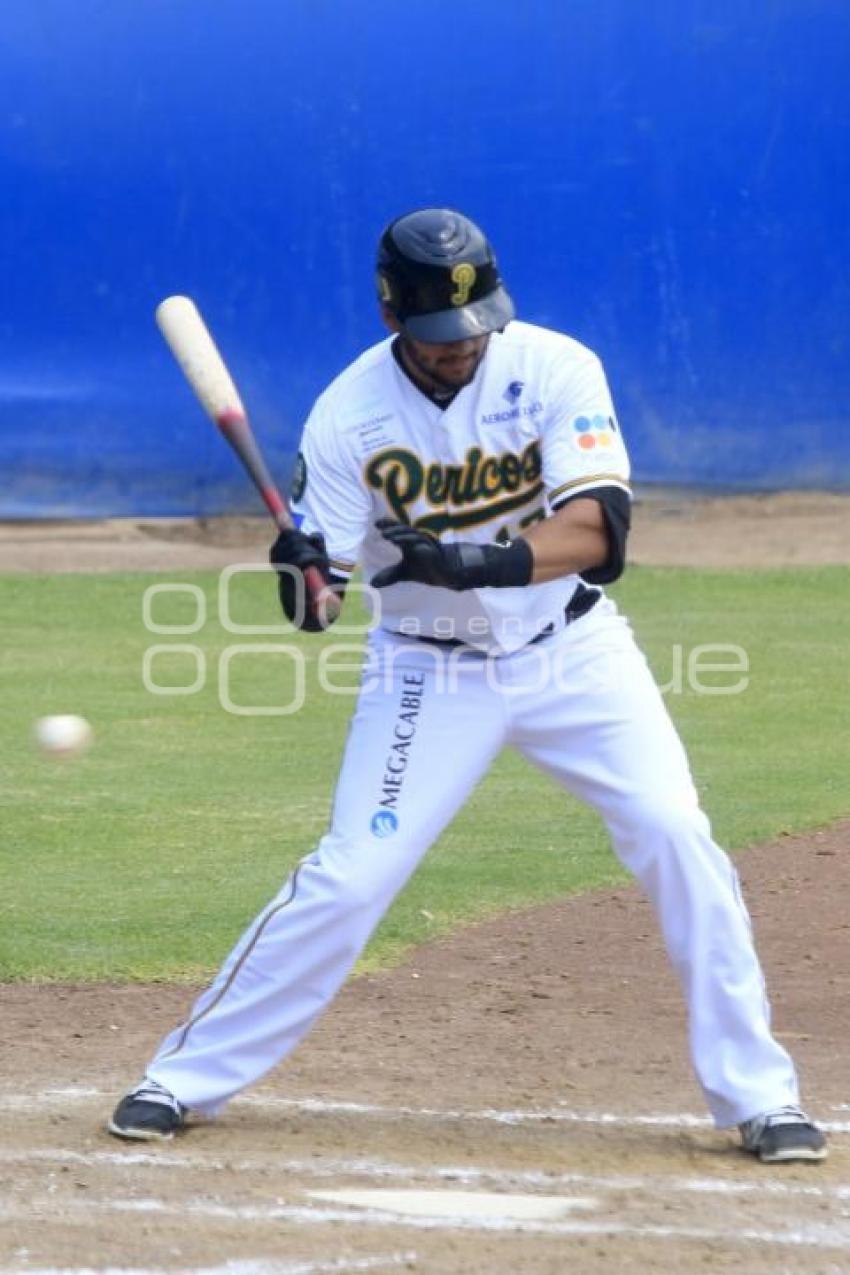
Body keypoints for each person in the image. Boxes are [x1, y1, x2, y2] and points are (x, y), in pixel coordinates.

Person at [109, 207, 826, 1165]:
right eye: (441, 336)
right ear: (393, 318)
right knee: (353, 871)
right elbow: (320, 610)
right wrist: (301, 570)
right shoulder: (346, 417)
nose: (463, 348)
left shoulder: (556, 367)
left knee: (676, 834)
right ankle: (182, 1076)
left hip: (575, 655)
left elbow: (600, 534)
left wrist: (469, 561)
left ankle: (760, 1096)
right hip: (425, 670)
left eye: (475, 326)